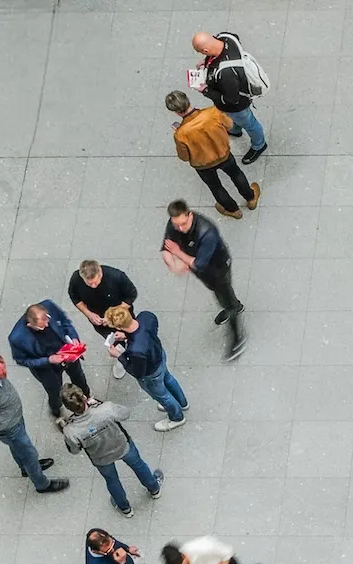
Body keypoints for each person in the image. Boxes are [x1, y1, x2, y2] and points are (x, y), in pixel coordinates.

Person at [0, 352, 68, 495]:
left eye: (2, 365)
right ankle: (42, 484)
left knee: (17, 449)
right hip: (10, 427)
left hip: (13, 419)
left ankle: (24, 468)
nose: (4, 371)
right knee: (30, 455)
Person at [161, 199, 247, 361]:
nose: (180, 228)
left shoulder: (207, 232)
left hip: (218, 271)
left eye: (183, 224)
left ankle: (238, 338)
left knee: (226, 301)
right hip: (203, 273)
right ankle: (235, 305)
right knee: (221, 295)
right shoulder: (174, 224)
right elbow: (167, 246)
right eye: (176, 225)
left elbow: (198, 264)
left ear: (190, 215)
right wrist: (173, 266)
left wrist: (178, 254)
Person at [59, 388, 161, 517]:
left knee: (112, 480)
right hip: (122, 445)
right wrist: (99, 403)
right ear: (84, 397)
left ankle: (125, 508)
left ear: (69, 408)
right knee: (139, 466)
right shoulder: (106, 409)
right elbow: (125, 413)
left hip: (100, 458)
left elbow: (74, 450)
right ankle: (154, 489)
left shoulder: (70, 430)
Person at [165, 89, 257, 219]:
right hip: (223, 154)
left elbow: (184, 157)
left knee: (215, 186)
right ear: (187, 100)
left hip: (203, 165)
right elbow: (230, 125)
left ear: (175, 112)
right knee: (236, 174)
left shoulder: (180, 134)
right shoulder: (213, 112)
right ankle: (250, 198)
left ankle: (233, 210)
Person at [103, 302, 187, 430]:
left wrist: (119, 356)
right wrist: (127, 336)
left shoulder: (136, 350)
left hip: (151, 373)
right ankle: (182, 402)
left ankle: (177, 417)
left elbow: (137, 372)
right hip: (159, 355)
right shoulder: (145, 316)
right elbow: (149, 330)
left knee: (162, 396)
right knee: (169, 379)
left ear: (119, 327)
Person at [7, 300, 91, 422]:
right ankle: (56, 410)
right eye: (42, 326)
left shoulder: (49, 306)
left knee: (79, 377)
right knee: (54, 391)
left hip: (67, 352)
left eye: (47, 320)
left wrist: (73, 337)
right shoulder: (17, 338)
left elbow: (65, 322)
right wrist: (48, 360)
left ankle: (86, 398)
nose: (47, 325)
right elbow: (22, 360)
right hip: (47, 368)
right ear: (30, 325)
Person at [191, 31, 269, 159]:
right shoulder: (226, 37)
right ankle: (235, 130)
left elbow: (231, 100)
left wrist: (205, 90)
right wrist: (206, 62)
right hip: (234, 101)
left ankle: (259, 145)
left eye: (202, 52)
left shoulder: (227, 74)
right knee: (233, 119)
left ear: (205, 50)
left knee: (249, 123)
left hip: (237, 106)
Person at [67, 259, 138, 379]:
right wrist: (88, 313)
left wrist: (113, 315)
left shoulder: (116, 276)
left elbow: (131, 295)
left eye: (95, 282)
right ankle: (120, 355)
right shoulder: (76, 279)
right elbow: (74, 297)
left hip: (120, 318)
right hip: (99, 321)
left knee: (130, 335)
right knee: (113, 340)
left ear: (100, 272)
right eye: (89, 284)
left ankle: (131, 352)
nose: (93, 286)